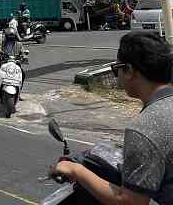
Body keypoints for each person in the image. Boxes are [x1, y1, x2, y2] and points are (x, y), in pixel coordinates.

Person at [51, 31, 173, 204]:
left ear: (129, 71)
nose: (117, 78)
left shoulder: (144, 128)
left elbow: (130, 202)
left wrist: (75, 169)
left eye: (116, 70)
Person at [0, 27, 26, 107]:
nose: (10, 39)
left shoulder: (19, 44)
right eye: (9, 37)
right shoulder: (2, 43)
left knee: (23, 74)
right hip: (4, 64)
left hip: (16, 64)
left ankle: (18, 92)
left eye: (12, 37)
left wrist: (23, 57)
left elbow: (23, 53)